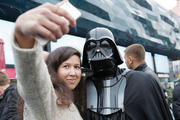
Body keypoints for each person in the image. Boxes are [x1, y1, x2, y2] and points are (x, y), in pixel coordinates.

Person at [11, 2, 82, 120]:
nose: (73, 73)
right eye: (66, 66)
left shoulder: (65, 97)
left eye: (77, 67)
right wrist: (24, 36)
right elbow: (33, 77)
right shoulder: (46, 98)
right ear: (54, 68)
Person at [82, 27, 173, 120]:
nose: (98, 50)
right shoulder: (81, 88)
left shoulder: (142, 82)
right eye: (91, 47)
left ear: (114, 50)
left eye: (105, 45)